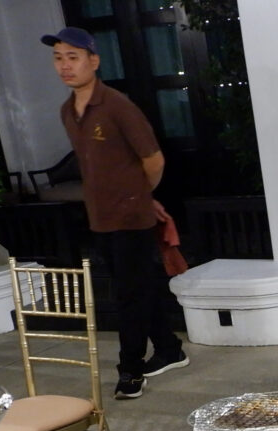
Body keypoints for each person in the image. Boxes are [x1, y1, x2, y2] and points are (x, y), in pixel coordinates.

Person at [43, 26, 186, 401]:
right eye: (58, 58)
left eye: (73, 57)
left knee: (128, 296)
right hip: (100, 217)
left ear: (94, 61)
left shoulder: (118, 106)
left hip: (130, 217)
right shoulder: (68, 111)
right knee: (138, 288)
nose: (64, 66)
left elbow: (153, 160)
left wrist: (140, 196)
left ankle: (130, 370)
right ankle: (169, 349)